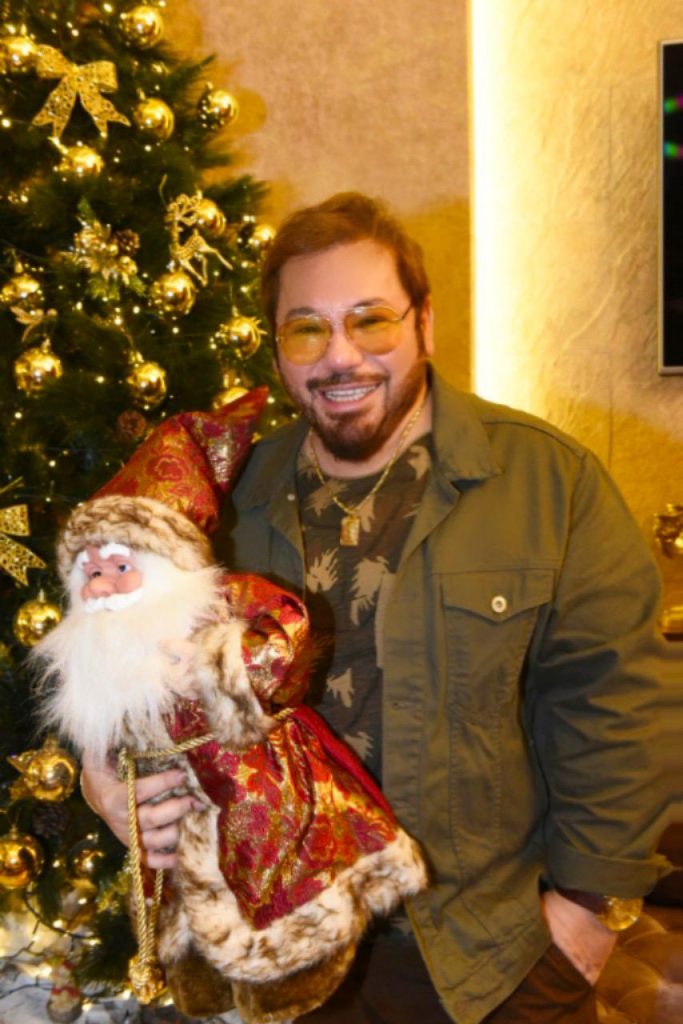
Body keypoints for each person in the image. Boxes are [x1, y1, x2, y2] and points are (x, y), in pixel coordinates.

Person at [81, 193, 680, 1024]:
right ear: (277, 347)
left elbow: (618, 706)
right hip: (284, 956)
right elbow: (125, 661)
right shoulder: (224, 499)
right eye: (306, 328)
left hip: (488, 961)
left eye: (370, 320)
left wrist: (584, 918)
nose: (341, 355)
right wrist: (104, 779)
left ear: (423, 324)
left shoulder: (549, 481)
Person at [34, 394, 426, 1022]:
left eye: (120, 565)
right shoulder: (107, 649)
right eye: (90, 571)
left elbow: (288, 628)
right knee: (184, 887)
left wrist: (221, 665)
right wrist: (97, 766)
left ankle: (289, 968)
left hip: (258, 787)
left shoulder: (219, 603)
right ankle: (201, 973)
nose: (102, 584)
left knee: (272, 876)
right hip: (175, 803)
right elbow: (102, 736)